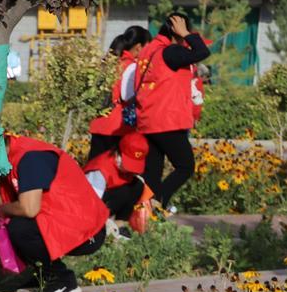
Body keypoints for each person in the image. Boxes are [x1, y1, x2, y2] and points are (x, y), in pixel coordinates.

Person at [0, 131, 109, 292]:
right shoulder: (6, 166)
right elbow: (0, 216)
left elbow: (29, 209)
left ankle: (63, 280)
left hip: (89, 232)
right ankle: (43, 275)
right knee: (15, 226)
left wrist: (3, 210)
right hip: (65, 225)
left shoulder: (30, 159)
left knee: (20, 229)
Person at [134, 13, 209, 211]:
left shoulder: (149, 50)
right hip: (166, 120)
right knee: (185, 166)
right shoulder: (170, 52)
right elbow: (202, 52)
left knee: (152, 173)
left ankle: (146, 216)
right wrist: (186, 33)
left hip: (148, 120)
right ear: (178, 31)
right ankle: (158, 202)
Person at [87, 25, 151, 162]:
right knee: (113, 171)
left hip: (99, 122)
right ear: (139, 47)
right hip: (116, 126)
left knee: (94, 168)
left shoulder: (109, 62)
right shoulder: (131, 66)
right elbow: (126, 96)